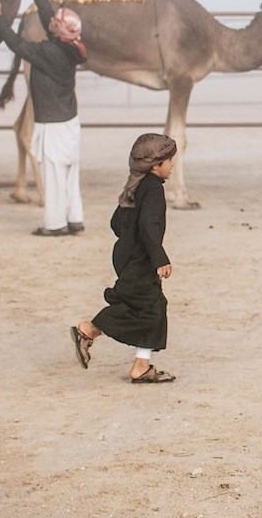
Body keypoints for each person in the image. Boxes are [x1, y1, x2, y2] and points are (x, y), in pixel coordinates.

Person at [70, 133, 178, 383]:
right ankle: (89, 331)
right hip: (141, 261)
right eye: (169, 161)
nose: (171, 166)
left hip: (126, 256)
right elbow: (149, 227)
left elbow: (116, 223)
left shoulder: (135, 185)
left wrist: (129, 241)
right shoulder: (152, 190)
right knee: (148, 309)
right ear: (155, 165)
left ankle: (139, 362)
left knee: (148, 306)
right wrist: (160, 258)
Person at [0, 0, 88, 237]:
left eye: (55, 21)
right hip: (69, 121)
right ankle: (75, 219)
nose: (51, 20)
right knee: (70, 173)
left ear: (58, 31)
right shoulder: (69, 47)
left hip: (53, 124)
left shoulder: (48, 53)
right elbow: (51, 20)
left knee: (53, 175)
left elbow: (15, 44)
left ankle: (54, 224)